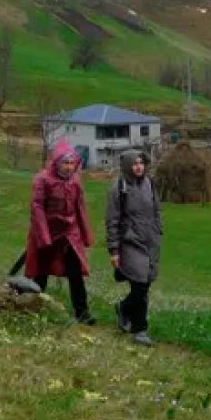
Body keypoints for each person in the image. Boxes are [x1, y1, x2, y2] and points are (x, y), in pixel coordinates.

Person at [24, 140, 96, 324]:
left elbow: (80, 207)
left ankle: (82, 312)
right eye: (65, 163)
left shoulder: (75, 181)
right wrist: (44, 237)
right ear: (57, 162)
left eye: (72, 163)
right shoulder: (42, 180)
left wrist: (85, 235)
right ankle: (32, 307)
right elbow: (37, 208)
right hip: (47, 231)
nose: (69, 167)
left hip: (69, 233)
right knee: (40, 272)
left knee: (75, 272)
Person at [107, 149, 163, 347]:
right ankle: (140, 330)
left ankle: (124, 307)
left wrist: (158, 230)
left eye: (141, 163)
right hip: (130, 242)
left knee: (145, 283)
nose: (139, 167)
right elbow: (112, 220)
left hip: (150, 241)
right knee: (139, 283)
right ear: (127, 166)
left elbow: (156, 209)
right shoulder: (119, 187)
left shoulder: (149, 183)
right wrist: (114, 250)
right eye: (134, 163)